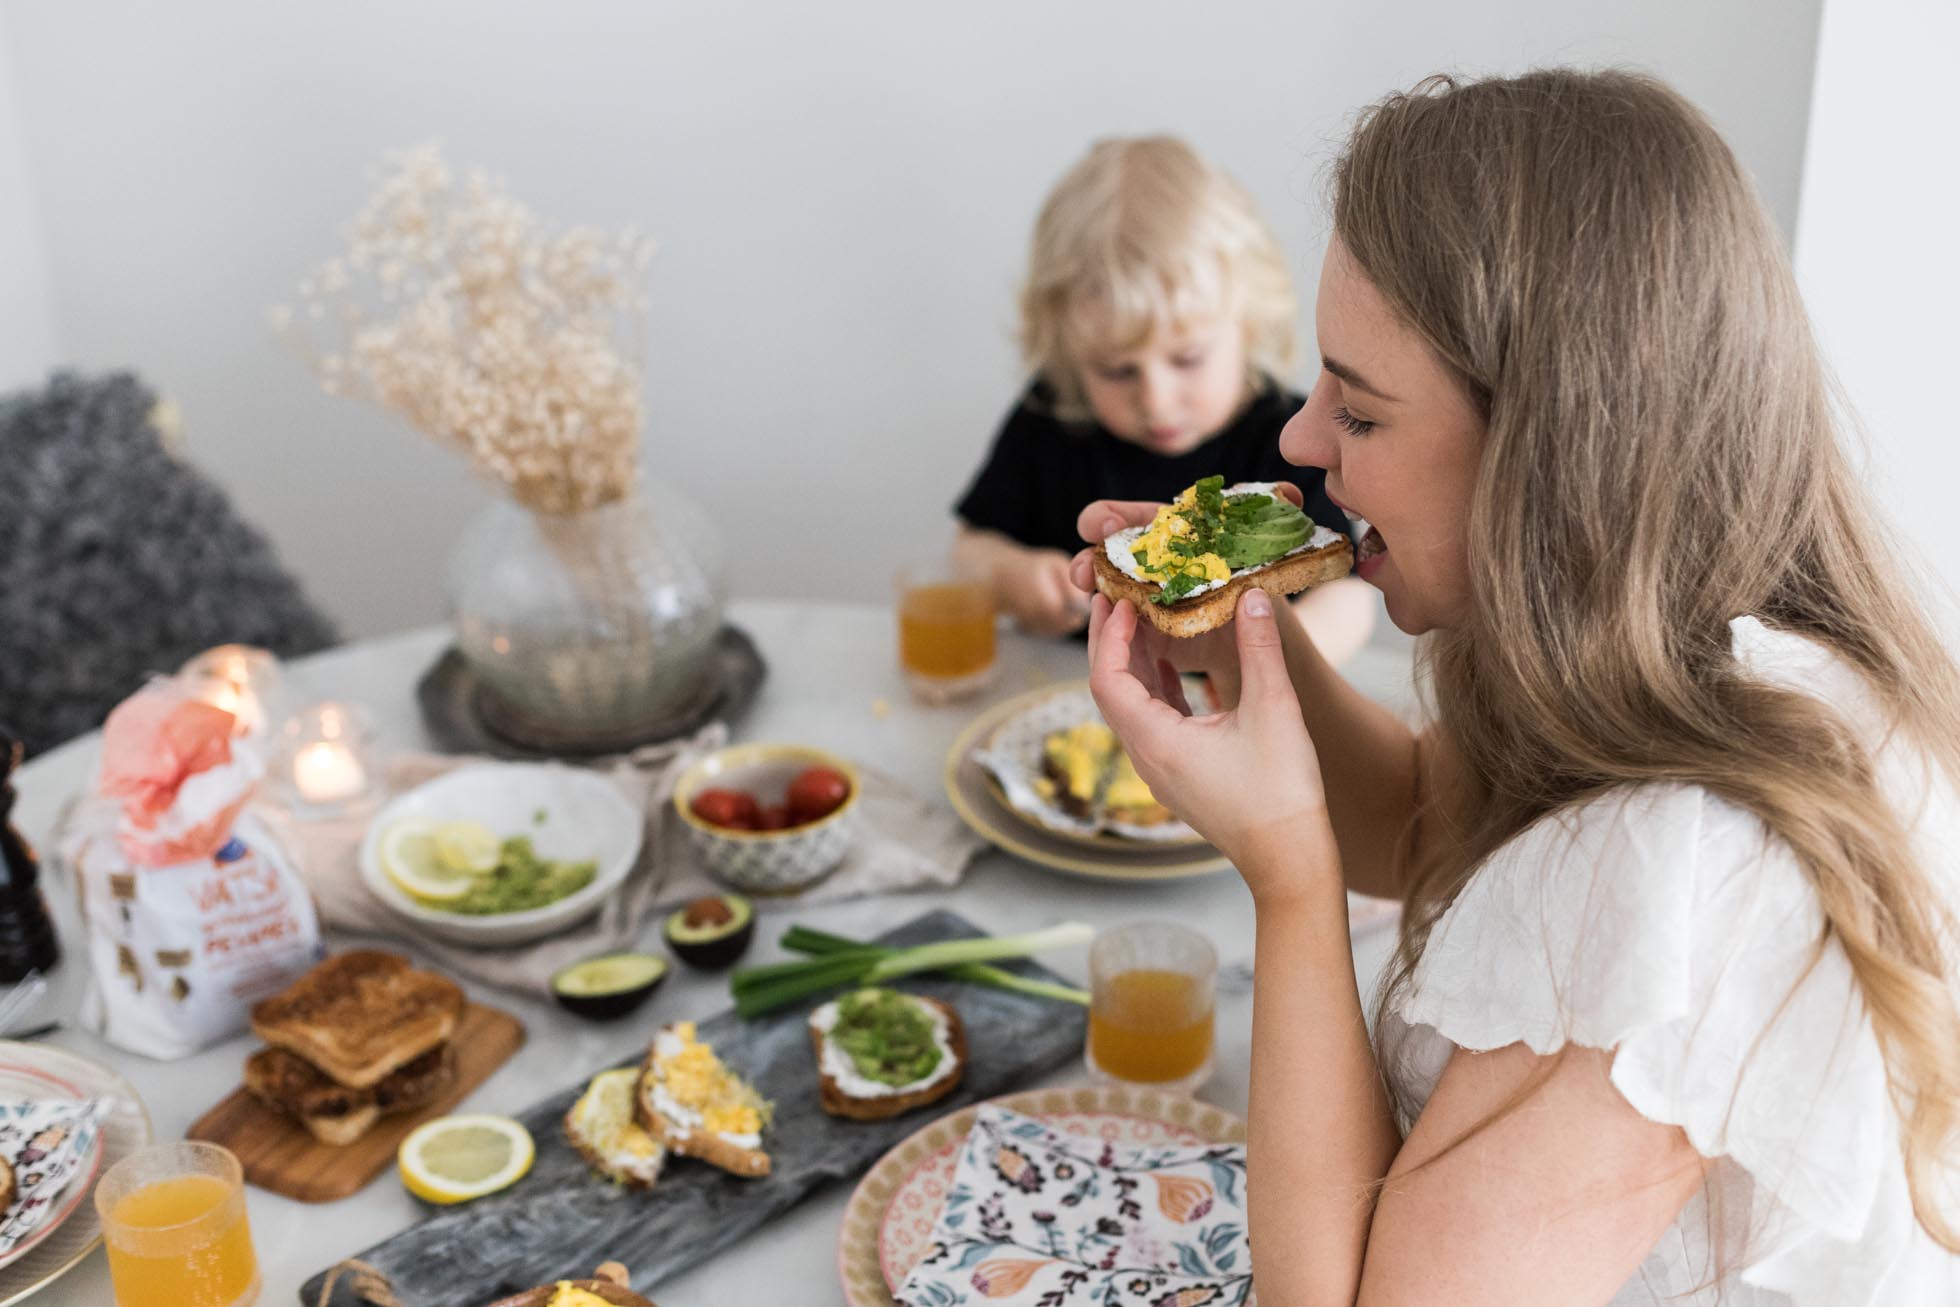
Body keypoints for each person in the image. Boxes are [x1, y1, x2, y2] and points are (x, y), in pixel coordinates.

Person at [1072, 70, 1960, 1305]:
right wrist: (1243, 642)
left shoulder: (1697, 866)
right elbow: (1428, 825)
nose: (1298, 441)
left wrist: (1284, 872)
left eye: (1361, 411)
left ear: (1547, 456)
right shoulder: (1662, 656)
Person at [953, 135, 1374, 661]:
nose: (1155, 400)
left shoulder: (1288, 438)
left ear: (1247, 325)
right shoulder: (1052, 419)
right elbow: (968, 549)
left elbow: (1348, 592)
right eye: (1116, 370)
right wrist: (1010, 577)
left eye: (1187, 359)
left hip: (1234, 709)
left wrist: (1283, 662)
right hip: (1068, 701)